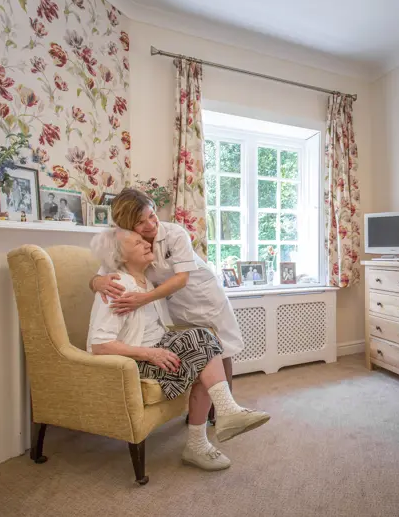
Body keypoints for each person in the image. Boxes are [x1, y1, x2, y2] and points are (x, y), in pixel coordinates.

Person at [87, 228, 269, 471]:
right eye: (138, 243)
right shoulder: (117, 287)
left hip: (156, 348)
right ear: (120, 256)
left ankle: (214, 425)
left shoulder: (146, 281)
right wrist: (151, 354)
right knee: (201, 346)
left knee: (203, 341)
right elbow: (100, 345)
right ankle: (209, 432)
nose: (147, 244)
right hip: (134, 362)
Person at [89, 188, 244, 423]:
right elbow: (102, 273)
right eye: (141, 222)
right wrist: (97, 282)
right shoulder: (125, 244)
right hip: (169, 302)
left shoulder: (174, 234)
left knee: (222, 349)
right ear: (128, 224)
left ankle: (222, 413)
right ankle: (201, 414)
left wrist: (143, 298)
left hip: (202, 296)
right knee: (200, 347)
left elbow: (181, 279)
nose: (151, 224)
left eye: (152, 215)